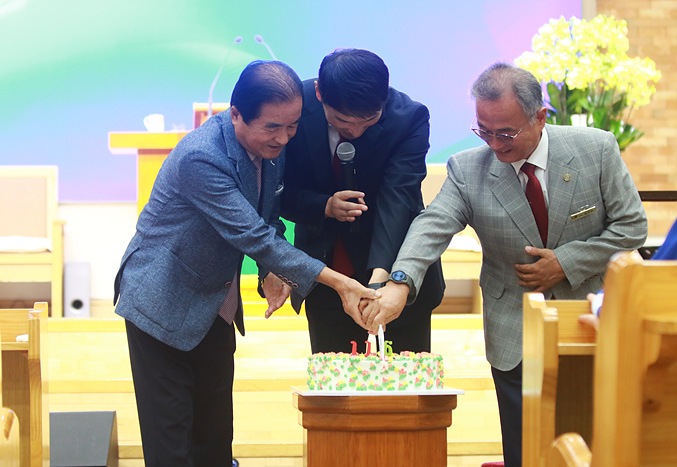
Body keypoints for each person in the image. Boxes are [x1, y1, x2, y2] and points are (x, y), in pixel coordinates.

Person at [362, 62, 648, 467]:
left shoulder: (595, 150)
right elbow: (432, 225)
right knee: (523, 448)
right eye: (484, 131)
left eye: (506, 133)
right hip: (514, 325)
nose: (495, 144)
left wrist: (566, 262)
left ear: (540, 117)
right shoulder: (468, 169)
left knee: (597, 441)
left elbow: (632, 227)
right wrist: (400, 280)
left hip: (591, 319)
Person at [113, 60, 378, 467]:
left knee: (215, 437)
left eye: (292, 126)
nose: (284, 138)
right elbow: (253, 235)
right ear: (236, 113)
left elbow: (267, 215)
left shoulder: (269, 149)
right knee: (172, 444)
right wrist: (340, 282)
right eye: (273, 127)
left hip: (214, 304)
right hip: (162, 301)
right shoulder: (201, 157)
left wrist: (271, 268)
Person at [281, 48, 444, 354]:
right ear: (319, 93)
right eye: (342, 121)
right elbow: (277, 190)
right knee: (334, 378)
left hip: (395, 280)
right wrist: (324, 206)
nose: (354, 131)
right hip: (326, 275)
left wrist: (381, 280)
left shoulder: (409, 118)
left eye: (369, 120)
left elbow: (399, 197)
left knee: (403, 380)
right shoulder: (293, 107)